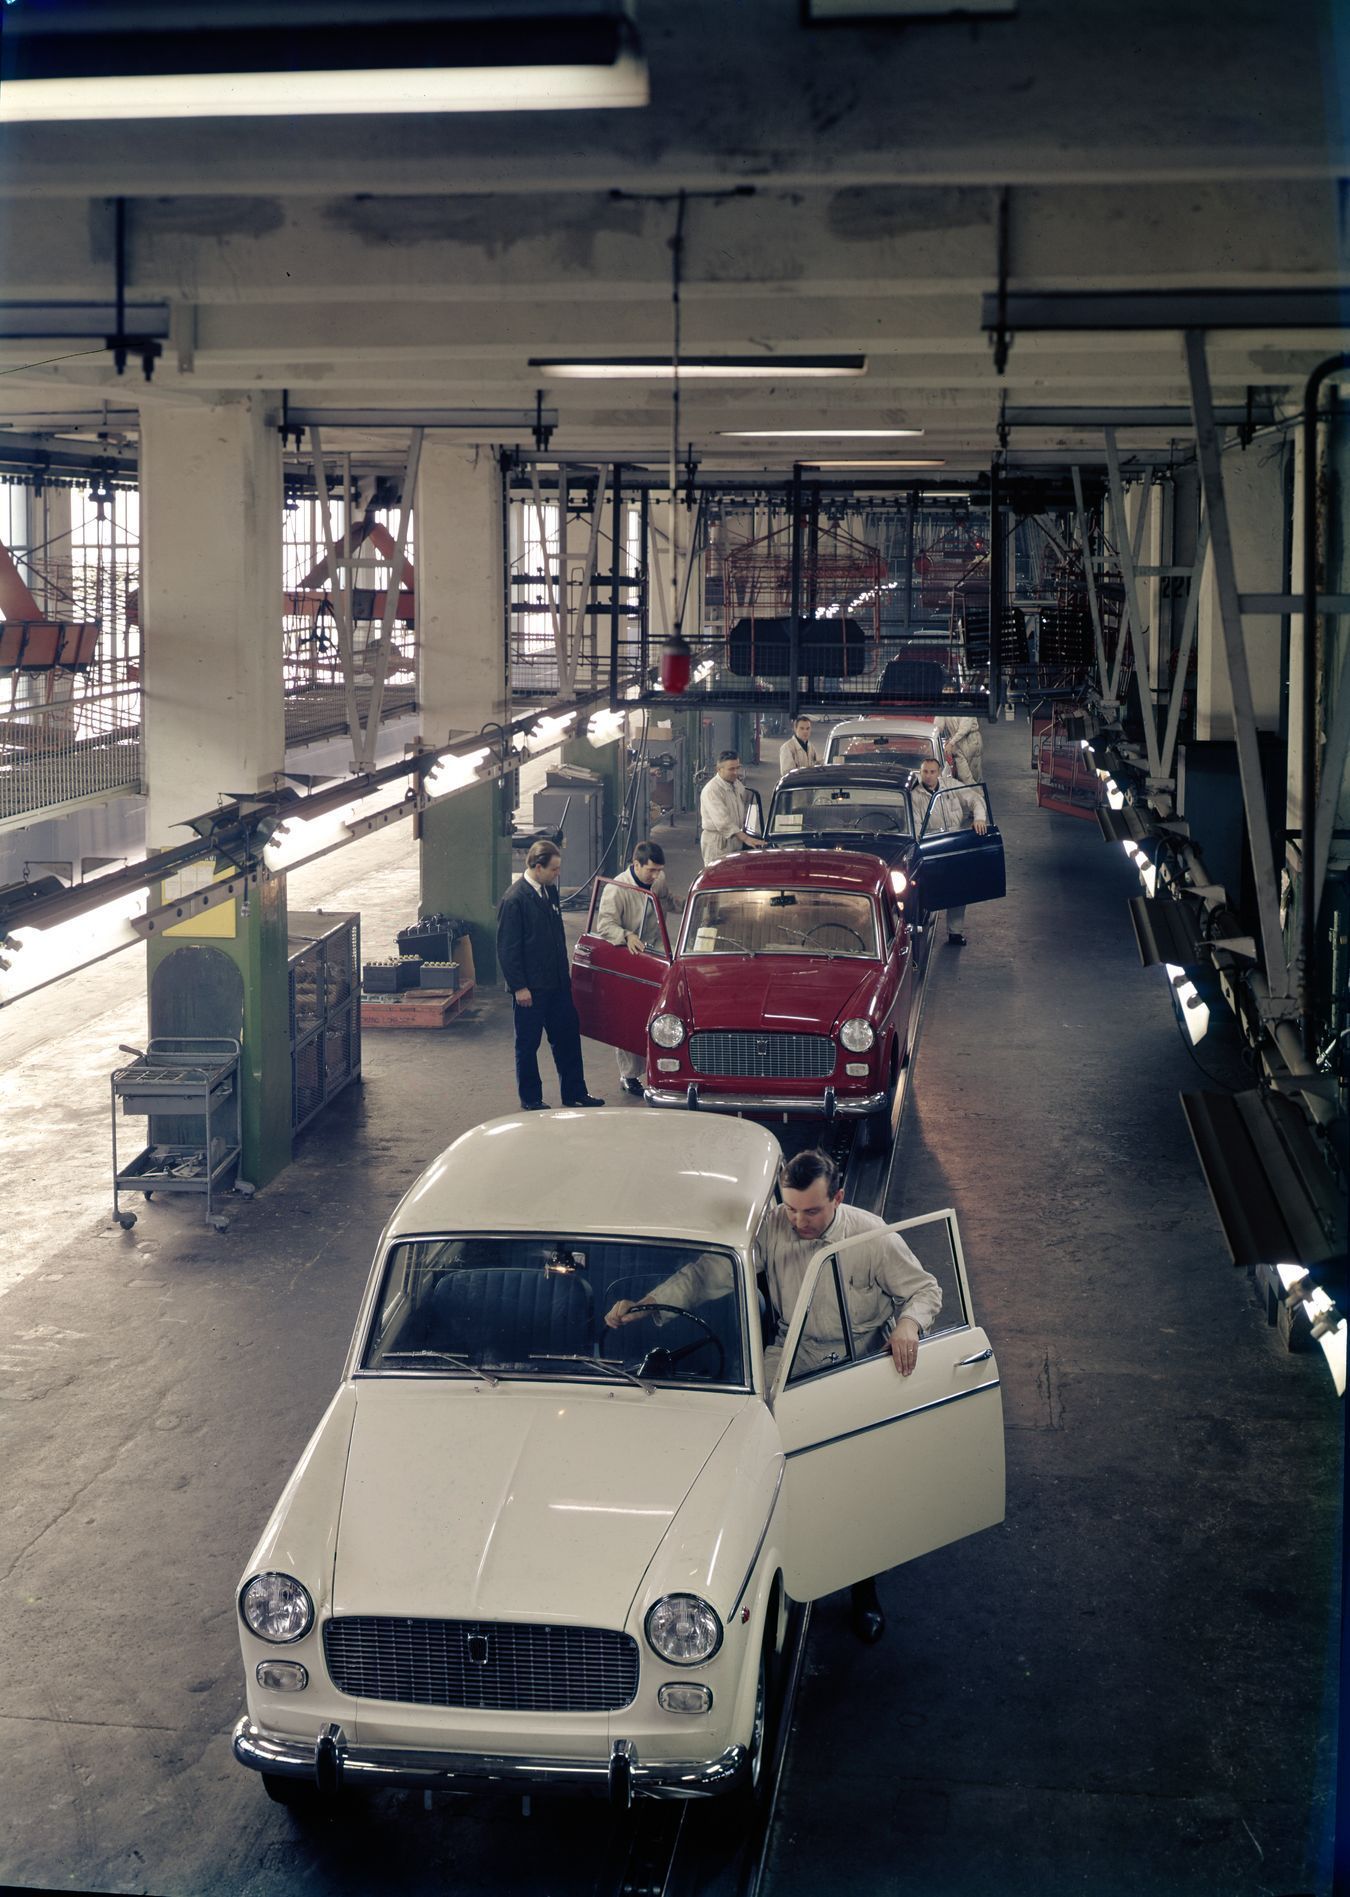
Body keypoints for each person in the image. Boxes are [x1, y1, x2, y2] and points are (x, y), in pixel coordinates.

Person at [605, 1148, 942, 1644]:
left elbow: (926, 1289)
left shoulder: (872, 1235)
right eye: (791, 1210)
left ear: (838, 1199)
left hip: (859, 1357)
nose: (799, 1222)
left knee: (857, 1479)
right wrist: (649, 1304)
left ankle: (863, 1590)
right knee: (747, 1432)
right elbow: (706, 1275)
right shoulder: (773, 1228)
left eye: (812, 1211)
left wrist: (910, 1324)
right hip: (793, 1348)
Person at [495, 839, 605, 1111]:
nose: (558, 874)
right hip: (531, 990)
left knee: (568, 1038)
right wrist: (519, 987)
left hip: (557, 985)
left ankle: (575, 1092)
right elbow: (507, 950)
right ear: (537, 866)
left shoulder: (549, 891)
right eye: (554, 869)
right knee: (528, 1045)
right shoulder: (514, 900)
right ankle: (531, 1099)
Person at [593, 840, 677, 1098]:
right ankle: (628, 1075)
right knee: (629, 1016)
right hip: (629, 957)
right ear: (636, 864)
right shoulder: (616, 890)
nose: (656, 875)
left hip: (657, 953)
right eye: (651, 870)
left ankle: (659, 1068)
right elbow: (604, 925)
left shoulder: (658, 882)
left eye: (659, 870)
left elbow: (668, 902)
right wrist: (626, 935)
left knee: (659, 1014)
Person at [914, 755, 988, 947]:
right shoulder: (915, 796)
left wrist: (979, 818)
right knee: (928, 890)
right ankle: (920, 928)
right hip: (932, 847)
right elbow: (915, 827)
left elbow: (975, 799)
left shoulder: (951, 786)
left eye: (932, 772)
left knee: (957, 889)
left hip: (954, 843)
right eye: (925, 772)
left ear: (939, 773)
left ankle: (955, 933)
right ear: (920, 773)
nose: (928, 776)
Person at [698, 751, 767, 866]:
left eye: (737, 768)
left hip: (735, 837)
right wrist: (746, 839)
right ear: (719, 769)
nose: (736, 772)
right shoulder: (712, 790)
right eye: (731, 769)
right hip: (718, 843)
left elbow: (745, 804)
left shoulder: (736, 784)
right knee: (718, 878)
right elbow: (723, 822)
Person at [931, 714, 984, 785]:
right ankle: (977, 793)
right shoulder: (944, 707)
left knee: (975, 777)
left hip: (971, 740)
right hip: (957, 744)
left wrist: (951, 743)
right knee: (964, 777)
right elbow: (937, 726)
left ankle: (979, 794)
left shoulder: (966, 705)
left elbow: (965, 728)